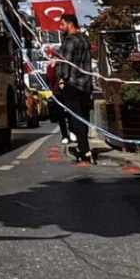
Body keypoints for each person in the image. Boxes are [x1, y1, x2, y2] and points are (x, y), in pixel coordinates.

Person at [55, 14, 96, 165]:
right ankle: (83, 148)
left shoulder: (69, 41)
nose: (60, 28)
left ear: (69, 24)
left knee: (75, 118)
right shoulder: (85, 40)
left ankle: (85, 152)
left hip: (72, 84)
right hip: (86, 84)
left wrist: (61, 80)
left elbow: (66, 62)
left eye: (62, 24)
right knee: (83, 118)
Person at [43, 48, 69, 144]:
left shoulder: (65, 65)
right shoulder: (51, 67)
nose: (54, 59)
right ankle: (65, 135)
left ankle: (73, 132)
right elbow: (50, 80)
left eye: (56, 57)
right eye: (53, 57)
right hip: (57, 92)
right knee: (61, 115)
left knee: (70, 114)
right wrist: (52, 66)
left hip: (67, 92)